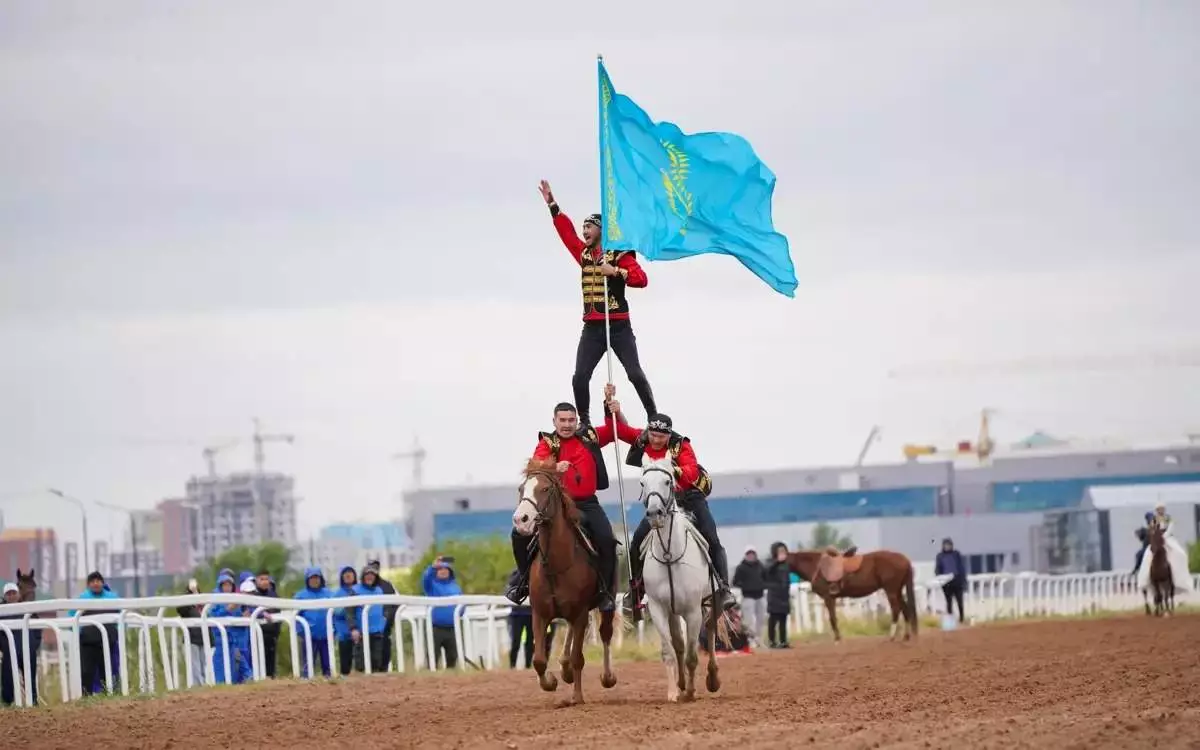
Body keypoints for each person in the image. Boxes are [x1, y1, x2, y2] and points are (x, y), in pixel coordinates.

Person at [538, 179, 656, 425]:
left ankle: (653, 416)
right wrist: (553, 206)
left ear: (601, 230)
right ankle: (586, 423)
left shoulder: (619, 253)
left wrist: (614, 271)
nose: (584, 231)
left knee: (634, 373)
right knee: (579, 377)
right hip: (593, 328)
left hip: (618, 326)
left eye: (589, 227)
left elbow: (641, 279)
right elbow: (567, 234)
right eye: (583, 227)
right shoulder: (583, 254)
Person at [606, 388, 735, 613]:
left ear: (669, 435)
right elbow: (620, 431)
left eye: (661, 437)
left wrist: (671, 470)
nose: (656, 440)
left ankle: (723, 589)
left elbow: (692, 471)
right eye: (653, 435)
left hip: (689, 497)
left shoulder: (681, 445)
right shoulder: (644, 439)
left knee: (711, 536)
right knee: (637, 541)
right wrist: (612, 409)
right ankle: (636, 592)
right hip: (660, 503)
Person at [505, 398, 622, 612]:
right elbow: (536, 464)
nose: (567, 425)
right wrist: (554, 466)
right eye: (562, 420)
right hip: (556, 505)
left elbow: (615, 428)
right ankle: (523, 583)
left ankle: (606, 592)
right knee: (518, 535)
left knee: (607, 539)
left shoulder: (589, 436)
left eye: (571, 420)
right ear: (554, 421)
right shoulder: (548, 443)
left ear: (577, 420)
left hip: (587, 503)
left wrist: (610, 408)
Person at [69, 571, 121, 695]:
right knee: (87, 671)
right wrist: (81, 632)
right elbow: (71, 618)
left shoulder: (112, 598)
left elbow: (121, 617)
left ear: (103, 583)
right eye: (92, 581)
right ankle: (86, 696)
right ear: (88, 584)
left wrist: (116, 631)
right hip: (88, 642)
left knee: (109, 669)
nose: (96, 583)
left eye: (98, 581)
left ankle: (110, 695)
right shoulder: (82, 599)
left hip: (108, 641)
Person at [0, 582, 41, 705]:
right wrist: (4, 647)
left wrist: (34, 644)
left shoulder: (28, 610)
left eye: (14, 593)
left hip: (28, 649)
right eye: (9, 594)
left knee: (30, 679)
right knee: (7, 680)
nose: (11, 596)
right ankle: (8, 704)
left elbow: (37, 629)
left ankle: (33, 703)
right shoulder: (1, 611)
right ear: (5, 596)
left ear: (18, 594)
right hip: (9, 651)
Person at [1139, 504, 1195, 594]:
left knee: (1181, 554)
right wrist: (1155, 536)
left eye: (1161, 509)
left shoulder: (1168, 518)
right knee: (1147, 556)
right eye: (1158, 509)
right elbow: (1152, 529)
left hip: (1168, 538)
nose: (1160, 511)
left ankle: (1180, 579)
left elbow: (1171, 528)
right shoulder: (1154, 519)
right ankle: (1144, 580)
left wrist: (1164, 536)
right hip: (1157, 539)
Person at [505, 568, 554, 669]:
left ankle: (527, 666)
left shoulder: (539, 573)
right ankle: (512, 666)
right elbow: (510, 586)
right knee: (515, 642)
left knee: (530, 642)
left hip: (530, 614)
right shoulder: (516, 573)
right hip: (516, 614)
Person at [422, 556, 462, 670]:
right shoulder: (432, 585)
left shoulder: (455, 587)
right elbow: (425, 579)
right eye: (440, 569)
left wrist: (460, 613)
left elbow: (462, 603)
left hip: (452, 627)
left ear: (450, 571)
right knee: (433, 657)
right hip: (436, 627)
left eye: (445, 569)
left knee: (453, 656)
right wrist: (433, 566)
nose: (443, 571)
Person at [293, 566, 334, 679]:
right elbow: (295, 617)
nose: (315, 580)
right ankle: (307, 683)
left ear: (321, 579)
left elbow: (335, 613)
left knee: (328, 664)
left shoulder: (329, 594)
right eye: (312, 578)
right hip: (309, 637)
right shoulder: (300, 596)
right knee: (308, 665)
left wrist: (333, 629)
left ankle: (330, 683)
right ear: (307, 579)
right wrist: (301, 631)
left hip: (326, 636)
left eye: (317, 577)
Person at [352, 564, 389, 673]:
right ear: (363, 576)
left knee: (376, 661)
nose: (370, 577)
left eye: (372, 574)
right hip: (361, 633)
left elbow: (385, 607)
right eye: (367, 574)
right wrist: (353, 628)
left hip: (377, 632)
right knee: (361, 663)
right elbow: (349, 611)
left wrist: (384, 619)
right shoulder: (355, 590)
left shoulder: (379, 590)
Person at [365, 558, 398, 669]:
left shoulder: (387, 585)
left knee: (384, 654)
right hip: (368, 629)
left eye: (375, 567)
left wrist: (388, 618)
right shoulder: (361, 587)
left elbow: (394, 604)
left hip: (385, 628)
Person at [175, 578, 208, 687]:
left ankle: (203, 684)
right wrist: (191, 594)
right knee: (195, 664)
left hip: (204, 637)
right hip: (192, 637)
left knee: (204, 663)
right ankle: (199, 685)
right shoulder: (186, 604)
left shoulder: (203, 604)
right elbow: (180, 609)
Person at [732, 546, 767, 645]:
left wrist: (762, 585)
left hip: (760, 596)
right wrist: (746, 586)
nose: (751, 555)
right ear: (746, 555)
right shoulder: (741, 567)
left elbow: (766, 578)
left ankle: (759, 639)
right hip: (748, 597)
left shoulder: (761, 566)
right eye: (749, 553)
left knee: (761, 619)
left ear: (755, 554)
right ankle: (751, 640)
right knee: (748, 621)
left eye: (752, 553)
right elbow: (735, 582)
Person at [252, 570, 281, 678]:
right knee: (259, 662)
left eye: (266, 579)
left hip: (272, 635)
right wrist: (261, 614)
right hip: (258, 635)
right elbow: (250, 611)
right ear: (256, 581)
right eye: (262, 579)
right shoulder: (252, 595)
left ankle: (271, 679)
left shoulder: (273, 595)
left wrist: (277, 632)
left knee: (271, 663)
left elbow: (278, 613)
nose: (265, 582)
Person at [331, 565, 359, 676]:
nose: (348, 575)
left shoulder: (360, 590)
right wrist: (348, 609)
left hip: (359, 630)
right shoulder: (337, 594)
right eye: (345, 573)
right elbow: (336, 612)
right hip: (343, 632)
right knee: (345, 661)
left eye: (350, 573)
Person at [764, 542, 792, 649]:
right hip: (774, 595)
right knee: (773, 619)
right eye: (780, 551)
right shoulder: (770, 562)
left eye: (783, 551)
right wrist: (777, 562)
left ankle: (783, 641)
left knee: (783, 620)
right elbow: (767, 571)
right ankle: (772, 641)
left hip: (784, 595)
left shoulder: (786, 564)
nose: (782, 553)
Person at [935, 538, 968, 623]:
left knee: (959, 601)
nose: (947, 547)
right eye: (945, 545)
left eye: (948, 545)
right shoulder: (940, 556)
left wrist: (963, 581)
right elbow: (938, 569)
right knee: (949, 602)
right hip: (946, 583)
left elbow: (961, 568)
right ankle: (950, 620)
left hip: (957, 581)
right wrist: (939, 579)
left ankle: (961, 618)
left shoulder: (956, 554)